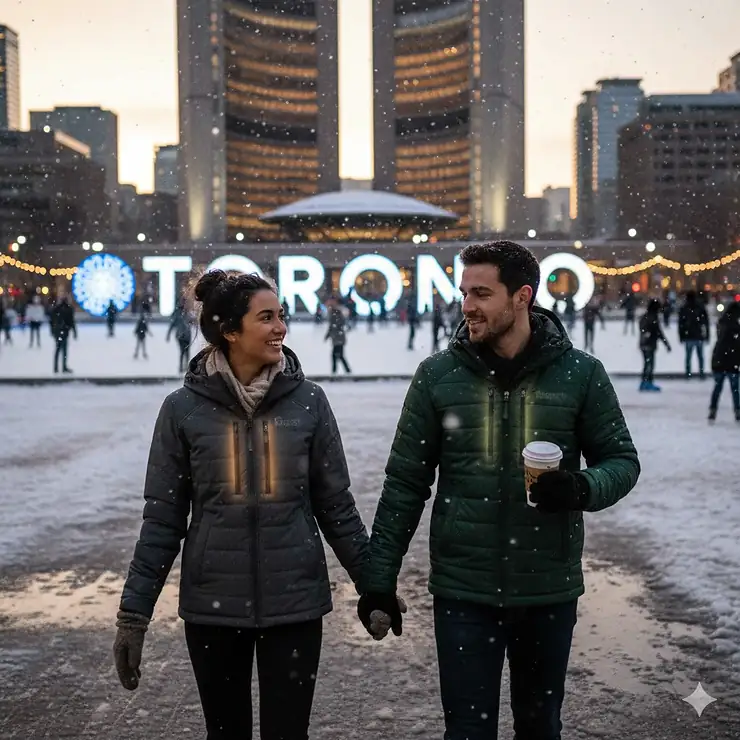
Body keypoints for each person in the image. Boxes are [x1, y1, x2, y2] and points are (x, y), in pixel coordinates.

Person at [357, 241, 640, 740]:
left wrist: (582, 486)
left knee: (539, 726)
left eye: (481, 293)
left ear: (522, 297)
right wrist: (378, 580)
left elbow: (621, 461)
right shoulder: (437, 376)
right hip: (464, 591)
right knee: (467, 730)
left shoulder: (581, 374)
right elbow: (404, 483)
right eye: (464, 292)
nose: (467, 305)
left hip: (547, 587)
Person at [113, 270, 377, 740]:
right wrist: (135, 614)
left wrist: (373, 586)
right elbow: (162, 521)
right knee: (225, 733)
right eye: (267, 318)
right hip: (214, 606)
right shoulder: (183, 410)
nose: (281, 328)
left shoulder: (310, 403)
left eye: (281, 316)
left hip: (294, 603)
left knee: (288, 733)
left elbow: (336, 507)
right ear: (230, 331)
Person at [708, 301, 740, 422]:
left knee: (718, 387)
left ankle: (713, 409)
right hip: (731, 361)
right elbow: (736, 346)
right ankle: (737, 411)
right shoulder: (735, 327)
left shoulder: (722, 324)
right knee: (735, 389)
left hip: (719, 360)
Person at [639, 298, 671, 392]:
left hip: (644, 344)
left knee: (647, 363)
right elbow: (658, 332)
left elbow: (643, 328)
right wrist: (666, 344)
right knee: (649, 364)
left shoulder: (645, 317)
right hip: (649, 344)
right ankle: (647, 382)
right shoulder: (652, 318)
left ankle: (645, 382)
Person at [678, 290, 710, 378]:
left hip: (688, 335)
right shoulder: (700, 307)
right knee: (700, 356)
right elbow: (706, 322)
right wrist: (707, 335)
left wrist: (681, 335)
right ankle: (701, 373)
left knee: (688, 356)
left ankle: (688, 373)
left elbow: (680, 323)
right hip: (698, 335)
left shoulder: (684, 308)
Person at [50, 296, 77, 374]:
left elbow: (52, 321)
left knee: (58, 349)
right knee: (63, 350)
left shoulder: (57, 309)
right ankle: (63, 367)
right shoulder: (68, 309)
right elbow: (71, 321)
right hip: (64, 331)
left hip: (58, 331)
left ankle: (56, 367)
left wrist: (53, 330)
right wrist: (74, 331)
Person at [325, 298, 351, 374]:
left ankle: (336, 372)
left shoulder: (336, 314)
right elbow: (332, 327)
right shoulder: (333, 314)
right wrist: (328, 335)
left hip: (339, 338)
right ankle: (345, 371)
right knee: (339, 355)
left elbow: (336, 325)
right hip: (337, 338)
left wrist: (330, 334)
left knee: (337, 355)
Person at [167, 302, 194, 373]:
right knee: (185, 351)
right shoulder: (185, 315)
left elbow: (172, 325)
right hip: (184, 336)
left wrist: (168, 335)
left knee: (184, 351)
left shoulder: (180, 316)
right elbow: (172, 325)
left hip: (182, 336)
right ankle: (184, 366)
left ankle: (183, 366)